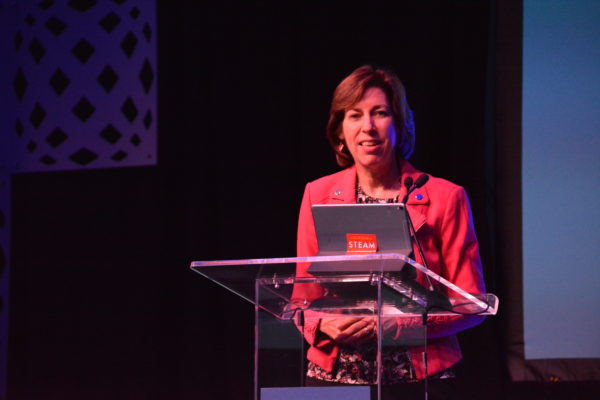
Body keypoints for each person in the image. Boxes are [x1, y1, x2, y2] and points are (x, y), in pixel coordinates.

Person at [292, 65, 487, 397]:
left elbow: (471, 303)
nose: (368, 127)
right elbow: (301, 300)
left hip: (420, 380)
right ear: (340, 131)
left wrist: (400, 324)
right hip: (333, 379)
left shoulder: (444, 196)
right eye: (354, 115)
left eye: (379, 113)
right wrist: (324, 324)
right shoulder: (317, 194)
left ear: (399, 123)